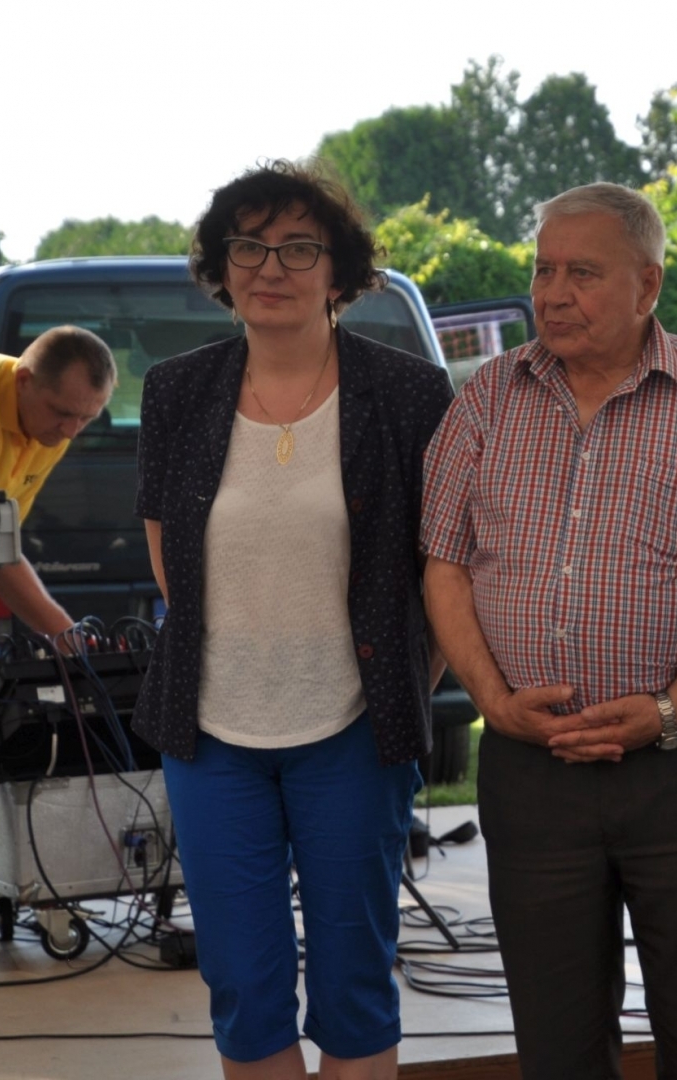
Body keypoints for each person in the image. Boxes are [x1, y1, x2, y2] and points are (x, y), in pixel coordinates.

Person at [420, 182, 677, 1079]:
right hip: (531, 764)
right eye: (544, 270)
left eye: (582, 273)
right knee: (554, 1041)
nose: (552, 293)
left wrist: (672, 707)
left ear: (648, 284)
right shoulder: (486, 400)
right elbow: (443, 563)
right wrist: (493, 704)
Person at [134, 160, 454, 1080]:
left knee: (356, 980)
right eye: (249, 246)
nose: (270, 266)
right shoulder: (176, 391)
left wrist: (407, 678)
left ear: (339, 270)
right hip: (211, 733)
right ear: (222, 265)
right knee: (243, 983)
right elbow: (169, 551)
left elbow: (442, 566)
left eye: (298, 248)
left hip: (354, 729)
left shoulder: (407, 394)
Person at [0, 327, 116, 693]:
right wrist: (66, 636)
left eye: (87, 419)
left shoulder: (48, 423)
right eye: (64, 414)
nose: (72, 432)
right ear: (23, 380)